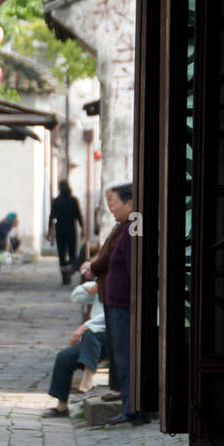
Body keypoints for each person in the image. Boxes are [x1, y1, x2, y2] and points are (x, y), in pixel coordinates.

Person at [81, 183, 148, 427]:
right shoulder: (126, 225)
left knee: (125, 354)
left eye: (114, 203)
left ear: (130, 203)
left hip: (124, 302)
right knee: (121, 353)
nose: (111, 208)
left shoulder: (133, 226)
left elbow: (134, 266)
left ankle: (132, 408)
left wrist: (136, 299)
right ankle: (130, 405)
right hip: (117, 300)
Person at [41, 279, 106, 419]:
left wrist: (83, 327)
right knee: (65, 356)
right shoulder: (100, 284)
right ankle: (62, 407)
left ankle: (86, 385)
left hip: (115, 339)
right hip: (93, 342)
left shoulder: (121, 288)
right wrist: (93, 288)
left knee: (90, 334)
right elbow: (77, 297)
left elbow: (110, 316)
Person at [48, 179, 84, 285]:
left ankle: (64, 276)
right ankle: (69, 269)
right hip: (71, 230)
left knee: (61, 254)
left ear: (60, 188)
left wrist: (50, 230)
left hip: (60, 230)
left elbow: (52, 217)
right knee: (72, 253)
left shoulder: (56, 201)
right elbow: (78, 215)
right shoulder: (73, 200)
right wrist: (82, 228)